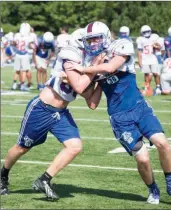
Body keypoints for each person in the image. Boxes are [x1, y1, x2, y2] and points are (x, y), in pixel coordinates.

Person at [67, 21, 171, 204]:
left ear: (107, 36)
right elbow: (92, 103)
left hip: (139, 108)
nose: (93, 43)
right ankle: (153, 189)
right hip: (119, 117)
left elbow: (110, 68)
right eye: (90, 40)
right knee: (142, 158)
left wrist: (86, 70)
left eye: (96, 39)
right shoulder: (92, 63)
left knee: (162, 143)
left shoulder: (121, 45)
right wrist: (88, 79)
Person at [0, 28, 99, 201]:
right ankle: (3, 176)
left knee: (75, 146)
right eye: (89, 41)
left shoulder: (84, 62)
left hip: (60, 113)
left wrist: (102, 80)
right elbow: (79, 87)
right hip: (42, 109)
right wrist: (96, 70)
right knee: (22, 148)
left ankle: (44, 179)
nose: (92, 45)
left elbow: (90, 99)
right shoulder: (70, 56)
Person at [136, 25, 161, 96]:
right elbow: (139, 51)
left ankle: (158, 88)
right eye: (145, 32)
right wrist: (140, 61)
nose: (146, 33)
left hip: (153, 58)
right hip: (145, 59)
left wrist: (156, 46)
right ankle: (147, 88)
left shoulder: (154, 37)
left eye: (147, 31)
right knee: (147, 74)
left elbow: (159, 47)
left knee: (156, 73)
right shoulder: (140, 39)